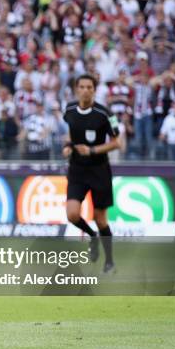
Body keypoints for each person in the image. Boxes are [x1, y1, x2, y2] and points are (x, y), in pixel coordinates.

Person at [63, 74, 121, 273]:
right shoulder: (69, 110)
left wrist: (93, 150)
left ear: (94, 90)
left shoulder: (105, 114)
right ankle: (92, 236)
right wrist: (68, 146)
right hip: (77, 170)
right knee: (72, 214)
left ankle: (110, 260)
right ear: (77, 89)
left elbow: (117, 142)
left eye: (89, 87)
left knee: (100, 218)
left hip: (99, 170)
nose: (86, 90)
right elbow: (70, 132)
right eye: (82, 87)